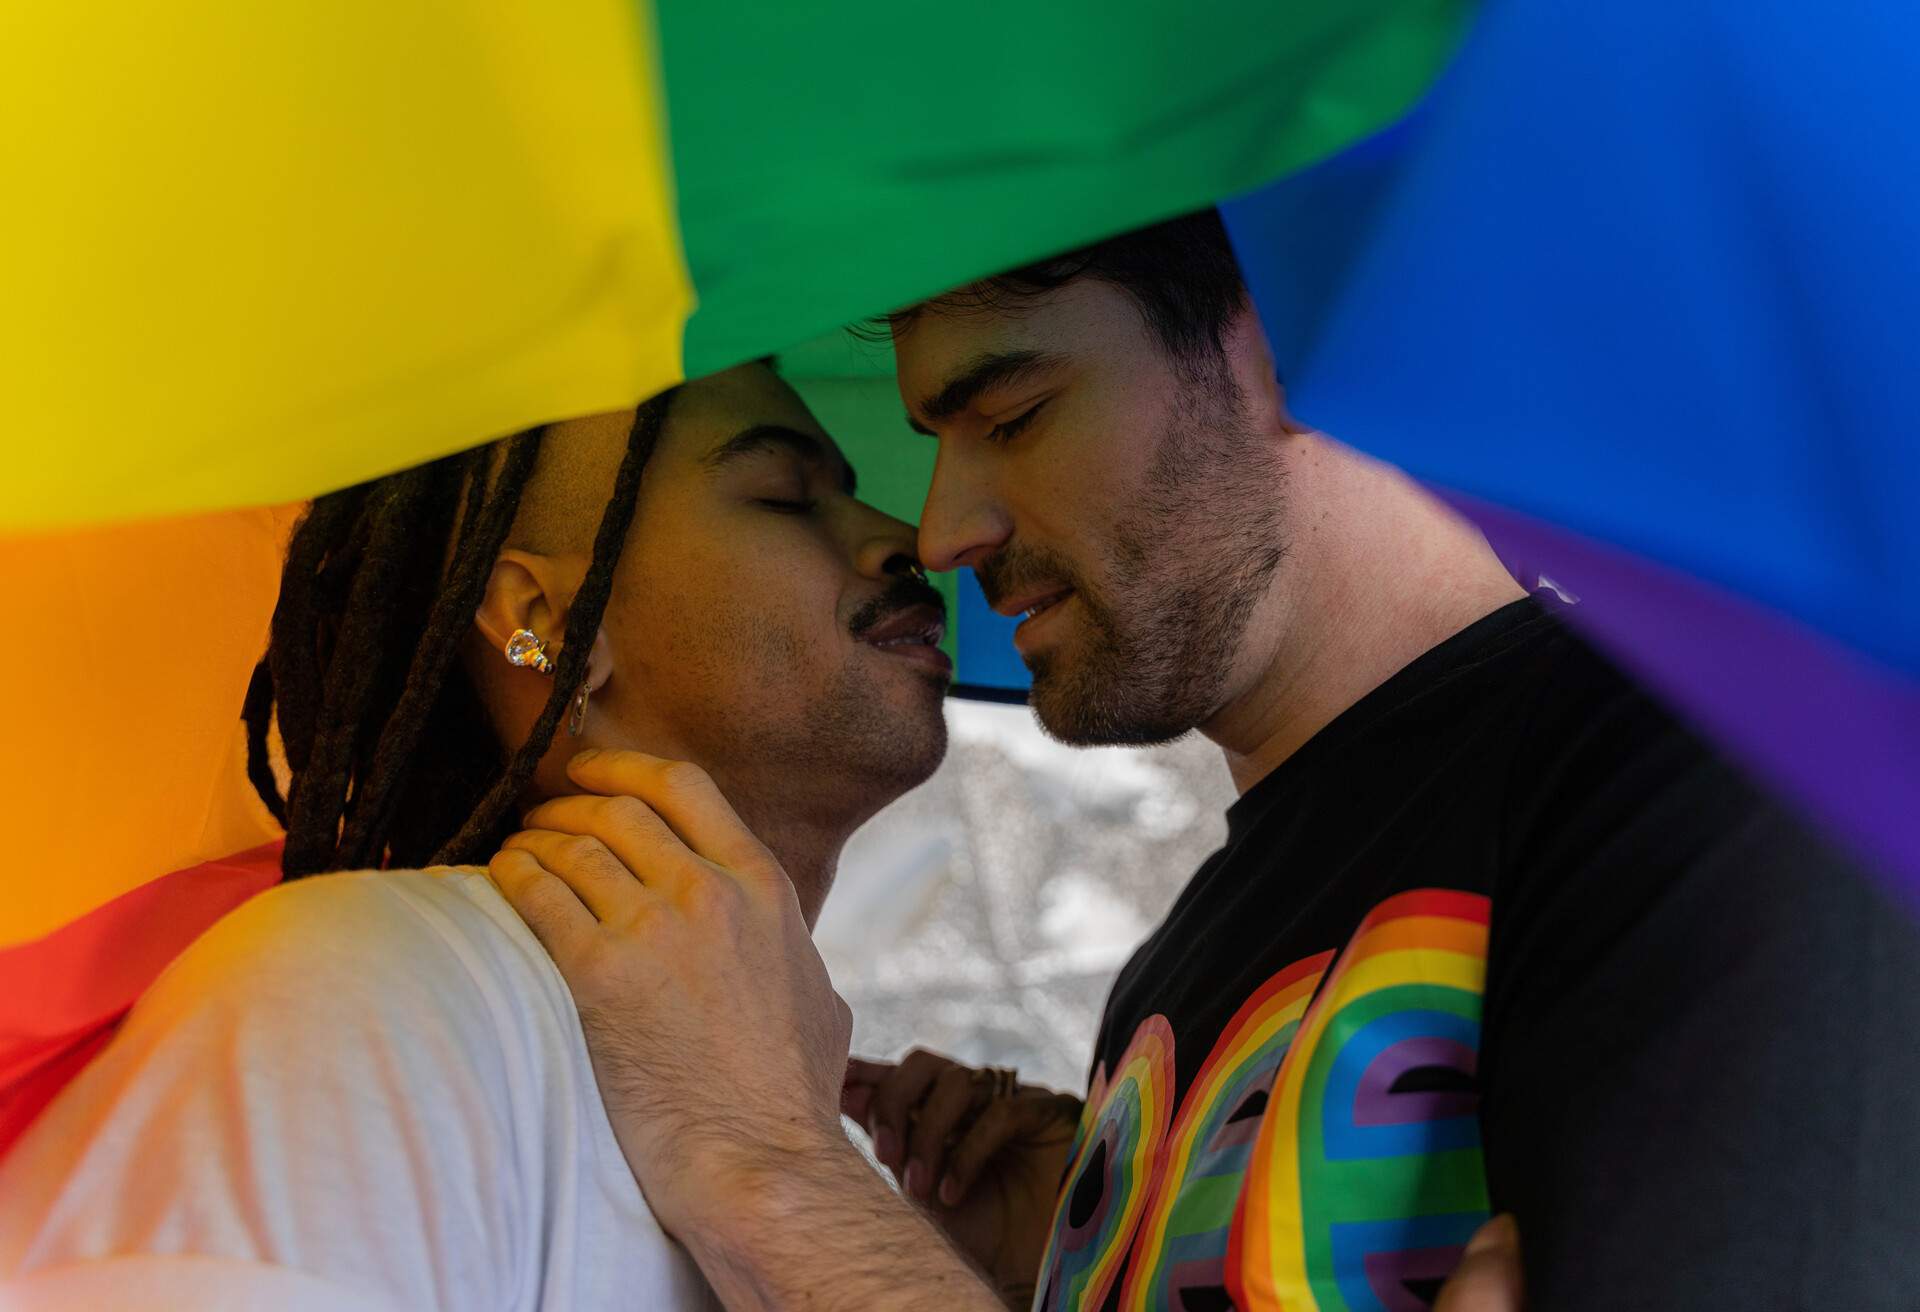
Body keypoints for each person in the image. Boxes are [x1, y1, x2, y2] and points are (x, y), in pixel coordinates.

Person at [492, 212, 1920, 1310]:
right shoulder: (1176, 974)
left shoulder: (1729, 776)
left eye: (1013, 414)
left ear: (1292, 336)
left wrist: (773, 1169)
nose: (941, 531)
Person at [0, 362, 955, 1309]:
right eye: (786, 497)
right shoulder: (363, 997)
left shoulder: (791, 1117)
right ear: (550, 621)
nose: (903, 538)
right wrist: (780, 1162)